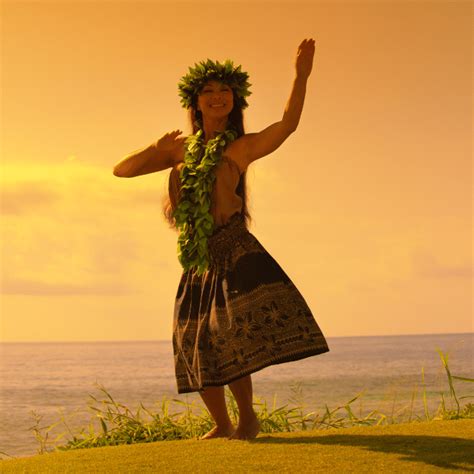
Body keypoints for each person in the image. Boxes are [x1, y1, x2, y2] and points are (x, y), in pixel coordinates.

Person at [113, 38, 330, 441]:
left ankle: (247, 418)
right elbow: (121, 171)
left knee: (228, 335)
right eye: (208, 91)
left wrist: (301, 76)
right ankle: (223, 423)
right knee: (194, 338)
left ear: (235, 100)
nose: (217, 97)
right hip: (198, 258)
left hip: (233, 247)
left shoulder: (240, 148)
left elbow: (287, 124)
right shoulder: (180, 151)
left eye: (224, 90)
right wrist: (156, 148)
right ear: (195, 102)